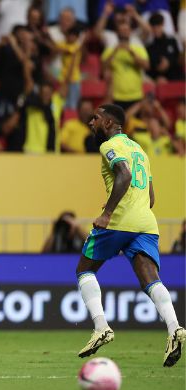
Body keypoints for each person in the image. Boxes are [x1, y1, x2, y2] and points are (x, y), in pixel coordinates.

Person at [75, 103, 184, 367]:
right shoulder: (141, 150)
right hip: (146, 222)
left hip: (120, 219)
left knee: (84, 269)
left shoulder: (108, 146)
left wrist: (108, 214)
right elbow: (151, 197)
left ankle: (101, 327)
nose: (92, 122)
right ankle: (175, 328)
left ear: (110, 123)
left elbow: (123, 174)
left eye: (96, 118)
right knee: (150, 279)